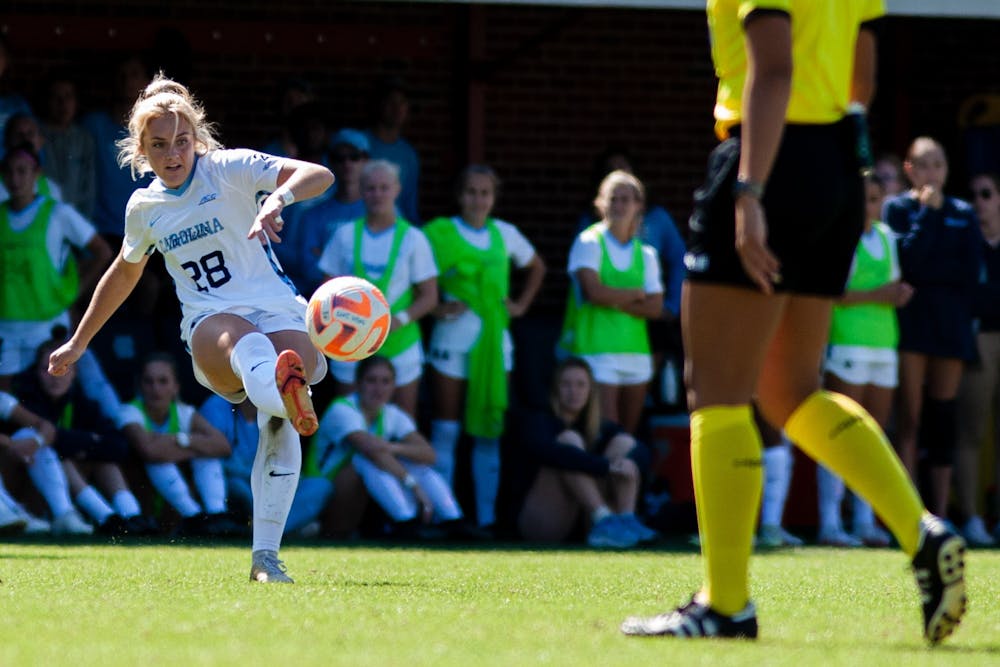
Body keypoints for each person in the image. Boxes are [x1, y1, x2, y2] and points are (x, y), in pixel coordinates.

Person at [621, 2, 967, 645]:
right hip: (836, 165)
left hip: (770, 154)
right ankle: (922, 532)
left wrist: (750, 191)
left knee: (717, 391)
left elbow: (774, 69)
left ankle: (726, 605)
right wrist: (835, 166)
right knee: (789, 392)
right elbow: (863, 68)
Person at [48, 74, 335, 583]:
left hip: (279, 310)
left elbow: (319, 174)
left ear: (197, 139)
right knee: (255, 351)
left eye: (181, 141)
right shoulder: (145, 208)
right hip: (212, 326)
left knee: (281, 417)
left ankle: (265, 558)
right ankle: (284, 388)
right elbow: (124, 274)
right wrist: (78, 341)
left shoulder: (230, 168)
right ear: (141, 150)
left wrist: (279, 199)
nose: (173, 153)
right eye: (159, 145)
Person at [424, 164, 546, 531]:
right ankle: (446, 516)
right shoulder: (439, 233)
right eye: (471, 192)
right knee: (446, 430)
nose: (478, 200)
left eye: (485, 193)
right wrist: (435, 307)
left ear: (494, 198)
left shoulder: (505, 234)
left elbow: (537, 267)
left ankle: (486, 520)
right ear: (460, 196)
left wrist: (520, 306)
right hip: (450, 340)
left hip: (496, 344)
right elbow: (415, 274)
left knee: (488, 432)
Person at [883, 137, 982, 520]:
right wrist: (926, 215)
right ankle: (911, 515)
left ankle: (939, 514)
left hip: (950, 327)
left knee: (942, 420)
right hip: (912, 325)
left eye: (938, 164)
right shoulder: (898, 209)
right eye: (923, 165)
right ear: (909, 169)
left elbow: (969, 271)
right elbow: (907, 261)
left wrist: (932, 273)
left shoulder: (963, 212)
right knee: (910, 418)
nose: (932, 173)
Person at [818, 173, 912, 548]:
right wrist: (880, 294)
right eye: (862, 199)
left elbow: (891, 288)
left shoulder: (888, 237)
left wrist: (895, 295)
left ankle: (864, 520)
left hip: (883, 344)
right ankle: (830, 522)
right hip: (847, 344)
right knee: (840, 434)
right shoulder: (839, 236)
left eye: (874, 199)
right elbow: (836, 294)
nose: (867, 207)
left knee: (874, 434)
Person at [317, 159, 438, 416]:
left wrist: (398, 320)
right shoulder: (344, 235)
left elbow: (430, 296)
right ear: (361, 191)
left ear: (397, 189)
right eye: (371, 188)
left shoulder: (414, 238)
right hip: (350, 343)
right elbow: (326, 290)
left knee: (403, 422)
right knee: (349, 419)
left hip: (400, 344)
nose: (377, 194)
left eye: (384, 187)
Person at [308, 355, 464, 538]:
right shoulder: (342, 409)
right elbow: (371, 449)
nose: (378, 389)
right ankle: (405, 522)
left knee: (413, 462)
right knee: (365, 459)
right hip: (316, 495)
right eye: (371, 381)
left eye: (385, 382)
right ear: (358, 383)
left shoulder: (391, 413)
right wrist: (413, 485)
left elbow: (429, 454)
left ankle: (452, 519)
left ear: (394, 386)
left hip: (350, 502)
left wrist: (393, 448)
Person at [511, 356, 657, 549]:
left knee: (624, 444)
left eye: (581, 385)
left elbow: (643, 453)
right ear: (555, 389)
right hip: (541, 520)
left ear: (590, 391)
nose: (574, 391)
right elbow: (550, 453)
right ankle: (604, 519)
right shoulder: (538, 420)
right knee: (569, 442)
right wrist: (605, 466)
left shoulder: (599, 427)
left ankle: (625, 519)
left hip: (582, 521)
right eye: (566, 385)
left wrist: (624, 463)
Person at [559, 170, 664, 434]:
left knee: (626, 436)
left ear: (638, 205)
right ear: (600, 203)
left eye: (625, 199)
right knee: (606, 430)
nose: (618, 205)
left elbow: (655, 308)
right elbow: (594, 292)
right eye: (612, 199)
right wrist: (635, 294)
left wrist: (613, 298)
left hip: (636, 353)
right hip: (596, 351)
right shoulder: (588, 241)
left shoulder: (647, 254)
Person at [0, 144, 112, 390]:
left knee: (57, 391)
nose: (15, 179)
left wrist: (73, 293)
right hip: (6, 326)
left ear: (37, 173)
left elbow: (102, 252)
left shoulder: (58, 213)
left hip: (49, 325)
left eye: (22, 171)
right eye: (9, 172)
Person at [13, 337, 149, 537]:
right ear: (36, 373)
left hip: (76, 470)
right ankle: (106, 518)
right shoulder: (27, 401)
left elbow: (118, 447)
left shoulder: (82, 402)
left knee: (105, 462)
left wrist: (71, 442)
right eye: (47, 368)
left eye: (64, 367)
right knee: (61, 457)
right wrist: (87, 441)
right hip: (28, 479)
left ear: (75, 372)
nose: (55, 375)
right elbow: (46, 440)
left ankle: (131, 516)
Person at [119, 353, 245, 537]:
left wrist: (180, 441)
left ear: (175, 387)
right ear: (140, 386)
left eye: (163, 381)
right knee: (162, 460)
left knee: (205, 457)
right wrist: (193, 447)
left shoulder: (184, 412)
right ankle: (193, 517)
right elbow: (149, 451)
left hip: (171, 499)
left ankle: (216, 515)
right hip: (146, 499)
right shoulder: (129, 412)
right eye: (148, 382)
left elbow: (222, 446)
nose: (155, 389)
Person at [199, 394, 333, 536]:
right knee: (240, 488)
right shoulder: (217, 406)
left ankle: (259, 530)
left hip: (270, 484)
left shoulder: (279, 410)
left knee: (320, 486)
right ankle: (283, 529)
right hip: (238, 481)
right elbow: (213, 458)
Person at [954, 171, 1000, 546]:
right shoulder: (963, 239)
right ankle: (971, 518)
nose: (978, 202)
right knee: (970, 431)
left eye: (986, 194)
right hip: (978, 338)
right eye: (972, 195)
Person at [296, 128, 370, 299]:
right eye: (339, 158)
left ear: (366, 160)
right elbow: (309, 269)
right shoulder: (312, 215)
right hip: (325, 300)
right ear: (330, 162)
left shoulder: (381, 210)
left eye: (354, 157)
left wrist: (328, 258)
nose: (347, 163)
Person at [41, 72, 97, 217]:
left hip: (76, 216)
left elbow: (89, 187)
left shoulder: (84, 139)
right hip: (44, 216)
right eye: (56, 97)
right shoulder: (37, 136)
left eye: (68, 97)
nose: (62, 103)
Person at [365, 77, 420, 224]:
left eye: (402, 103)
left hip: (397, 226)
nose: (397, 108)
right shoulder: (360, 145)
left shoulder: (408, 154)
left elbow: (409, 202)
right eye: (391, 102)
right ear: (379, 105)